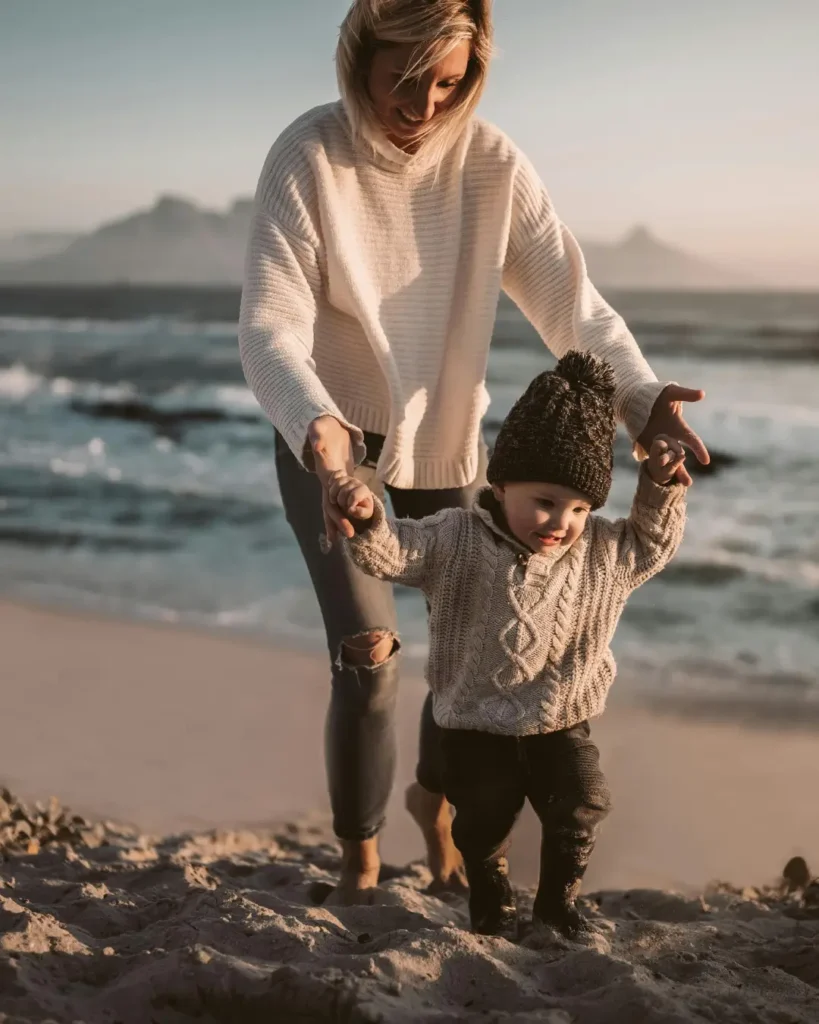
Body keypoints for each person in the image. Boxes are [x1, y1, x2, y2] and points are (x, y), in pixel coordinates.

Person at [238, 0, 708, 903]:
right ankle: (359, 855)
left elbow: (574, 308)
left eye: (447, 83)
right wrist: (321, 437)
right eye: (403, 81)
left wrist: (642, 404)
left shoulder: (490, 163)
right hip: (331, 444)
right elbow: (269, 326)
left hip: (448, 440)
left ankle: (432, 799)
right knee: (370, 653)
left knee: (470, 648)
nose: (423, 105)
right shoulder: (309, 156)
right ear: (360, 59)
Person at [331, 351, 688, 947]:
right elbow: (395, 552)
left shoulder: (601, 550)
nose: (560, 521)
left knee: (581, 804)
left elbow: (651, 542)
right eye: (545, 501)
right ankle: (491, 903)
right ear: (499, 484)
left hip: (561, 718)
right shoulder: (457, 536)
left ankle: (556, 906)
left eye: (579, 508)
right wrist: (368, 518)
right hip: (475, 721)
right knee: (482, 823)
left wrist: (657, 483)